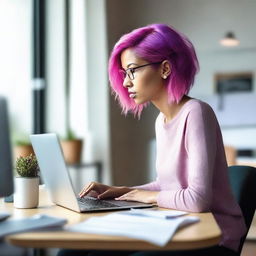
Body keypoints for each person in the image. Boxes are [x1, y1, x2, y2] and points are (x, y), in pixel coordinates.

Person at [58, 24, 246, 256]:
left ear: (165, 68)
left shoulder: (196, 112)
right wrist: (122, 191)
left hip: (212, 236)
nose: (126, 83)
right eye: (124, 73)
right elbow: (167, 186)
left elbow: (198, 200)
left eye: (133, 70)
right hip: (181, 224)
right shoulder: (161, 120)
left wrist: (144, 196)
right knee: (75, 250)